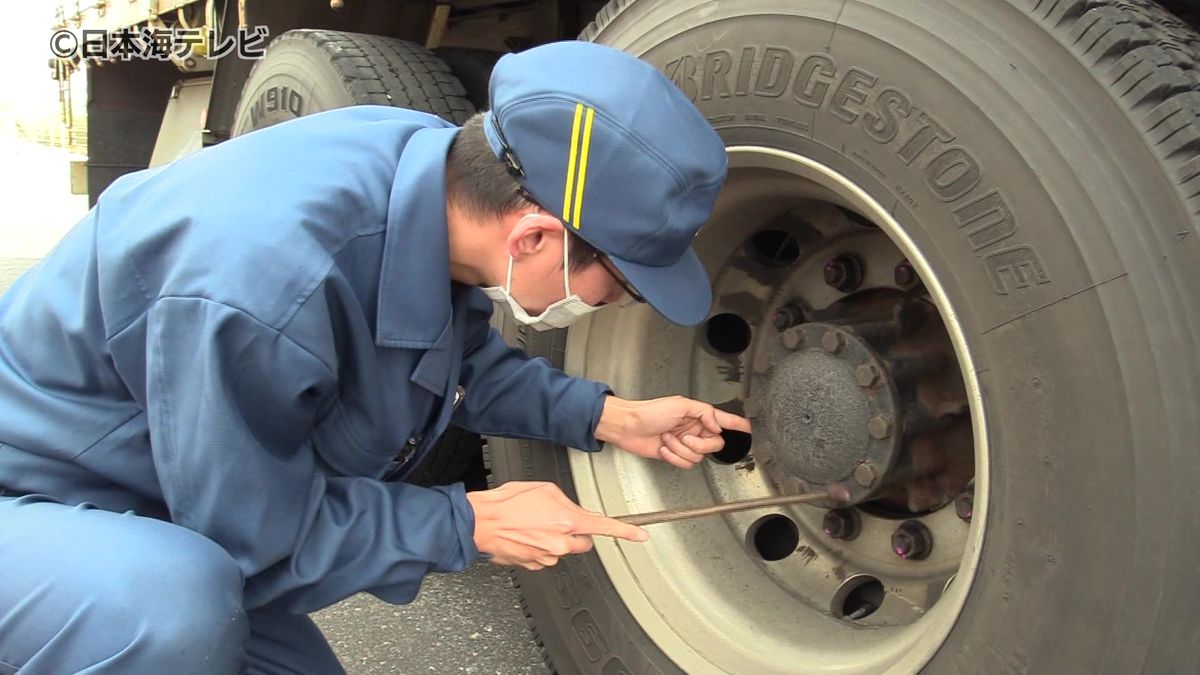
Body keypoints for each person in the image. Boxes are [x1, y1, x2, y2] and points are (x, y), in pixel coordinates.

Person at [0, 41, 745, 673]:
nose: (618, 302)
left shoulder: (435, 172)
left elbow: (441, 355)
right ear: (533, 237)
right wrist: (468, 523)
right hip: (33, 498)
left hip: (158, 484)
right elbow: (254, 540)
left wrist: (609, 416)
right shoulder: (263, 286)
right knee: (174, 613)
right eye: (619, 280)